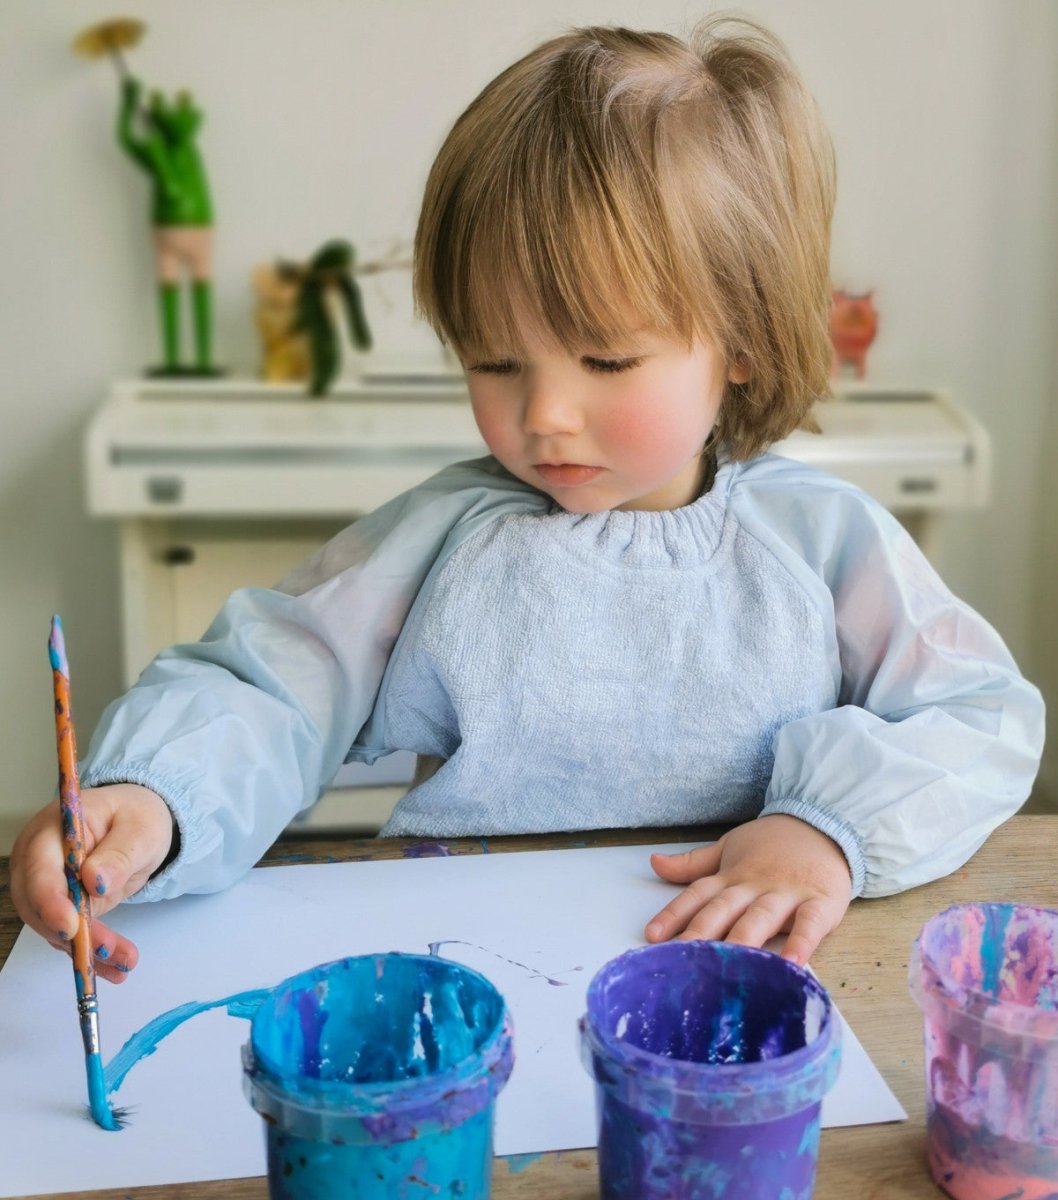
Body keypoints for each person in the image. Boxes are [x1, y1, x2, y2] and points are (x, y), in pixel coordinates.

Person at [13, 17, 1044, 985]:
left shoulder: (820, 542)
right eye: (495, 360)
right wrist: (154, 796)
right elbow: (272, 683)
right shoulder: (445, 540)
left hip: (736, 981)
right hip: (467, 970)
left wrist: (825, 830)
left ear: (739, 337)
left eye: (605, 359)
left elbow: (979, 718)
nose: (544, 415)